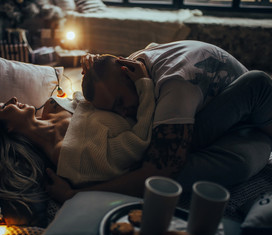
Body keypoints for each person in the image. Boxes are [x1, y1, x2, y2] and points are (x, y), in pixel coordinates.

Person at [45, 40, 272, 203]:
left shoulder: (174, 85)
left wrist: (75, 195)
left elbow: (159, 173)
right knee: (241, 163)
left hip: (245, 121)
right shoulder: (137, 62)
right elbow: (109, 74)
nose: (124, 113)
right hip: (226, 126)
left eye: (120, 102)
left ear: (128, 71)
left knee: (160, 170)